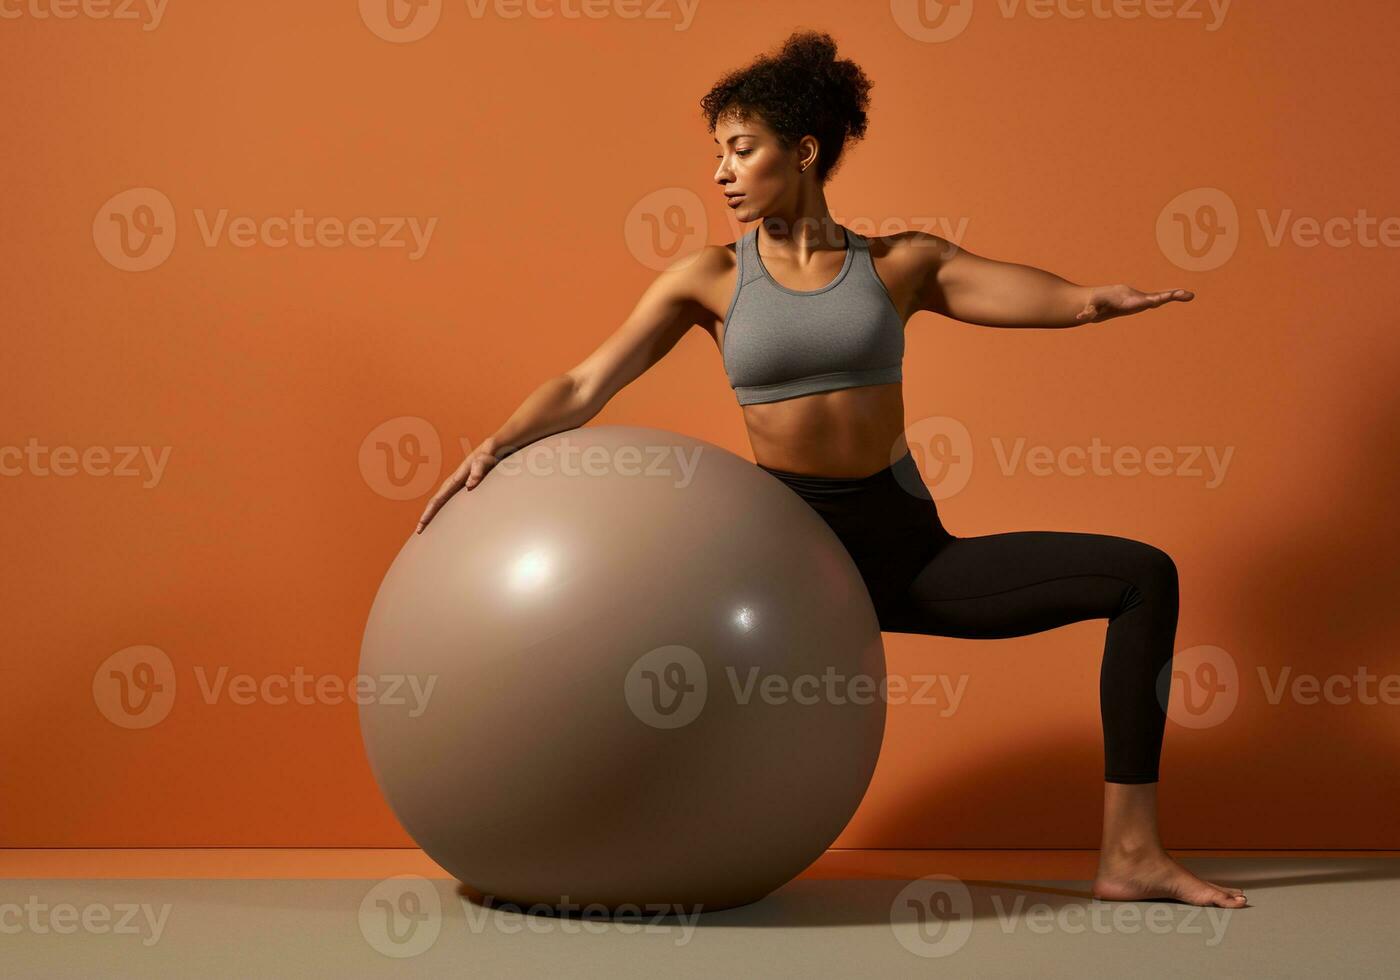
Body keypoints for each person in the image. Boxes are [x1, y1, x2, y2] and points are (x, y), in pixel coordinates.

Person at [415, 29, 1245, 910]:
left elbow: (1039, 297)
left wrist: (1098, 300)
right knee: (636, 653)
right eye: (718, 155)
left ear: (803, 151)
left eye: (741, 150)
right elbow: (587, 381)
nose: (722, 173)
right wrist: (494, 443)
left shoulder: (899, 264)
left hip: (904, 557)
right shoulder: (709, 277)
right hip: (778, 580)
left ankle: (1131, 854)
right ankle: (575, 838)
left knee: (1143, 577)